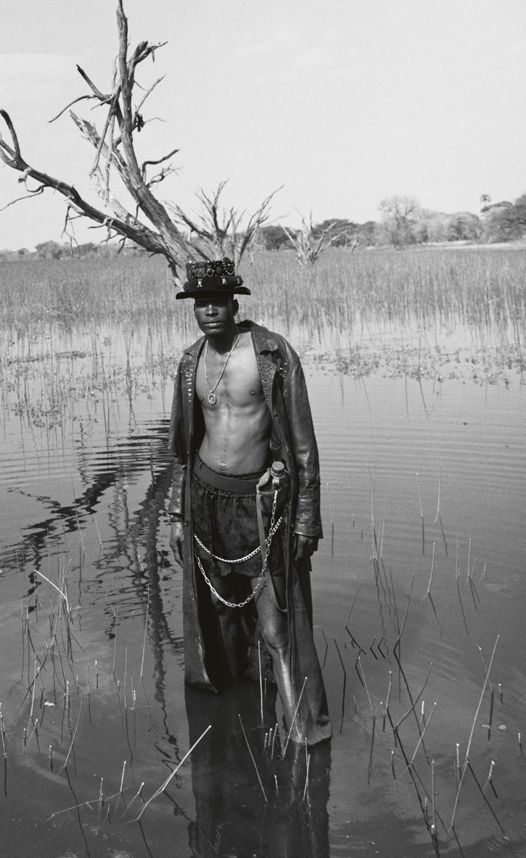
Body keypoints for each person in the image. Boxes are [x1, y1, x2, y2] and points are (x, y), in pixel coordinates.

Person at [168, 258, 330, 746]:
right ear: (193, 310)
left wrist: (306, 519)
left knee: (277, 620)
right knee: (216, 610)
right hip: (204, 500)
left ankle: (302, 729)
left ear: (235, 303)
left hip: (260, 506)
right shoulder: (190, 361)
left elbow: (302, 445)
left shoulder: (272, 354)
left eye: (218, 301)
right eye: (201, 304)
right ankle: (223, 719)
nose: (210, 311)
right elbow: (183, 446)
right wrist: (179, 513)